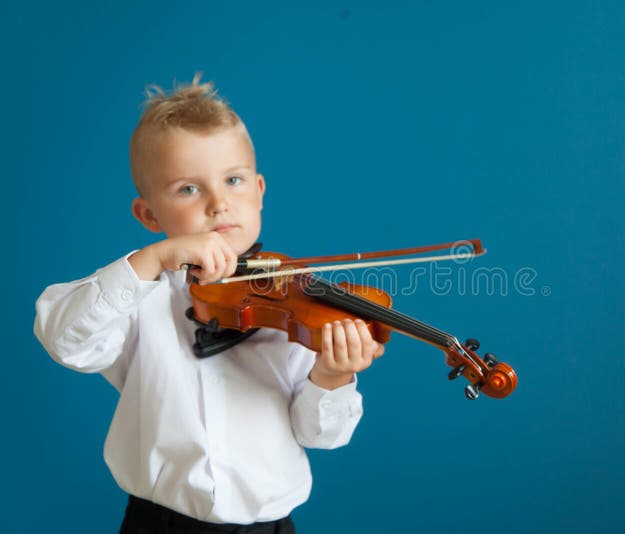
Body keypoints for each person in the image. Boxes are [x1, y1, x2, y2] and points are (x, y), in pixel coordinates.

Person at [33, 73, 384, 533]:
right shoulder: (139, 299)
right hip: (161, 523)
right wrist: (150, 260)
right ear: (148, 214)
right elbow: (64, 338)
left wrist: (334, 376)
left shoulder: (294, 301)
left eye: (233, 180)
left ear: (259, 191)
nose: (219, 204)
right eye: (188, 189)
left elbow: (321, 435)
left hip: (267, 525)